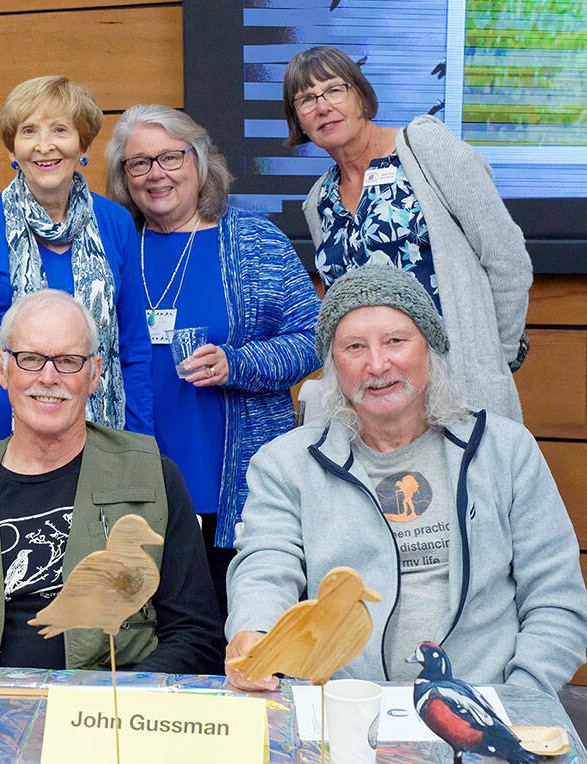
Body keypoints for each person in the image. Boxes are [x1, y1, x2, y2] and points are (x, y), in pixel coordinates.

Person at [225, 266, 587, 694]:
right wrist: (254, 631)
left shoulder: (505, 450)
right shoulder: (285, 463)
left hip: (488, 706)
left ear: (430, 350)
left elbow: (556, 599)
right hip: (343, 706)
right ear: (333, 366)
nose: (377, 364)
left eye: (396, 341)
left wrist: (521, 697)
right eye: (354, 347)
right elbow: (266, 565)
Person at [0, 290, 222, 673]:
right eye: (30, 359)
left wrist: (113, 706)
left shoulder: (154, 479)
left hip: (110, 718)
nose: (48, 377)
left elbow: (197, 633)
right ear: (2, 368)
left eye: (68, 361)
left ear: (94, 373)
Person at [104, 105, 320, 615]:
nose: (156, 174)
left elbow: (315, 336)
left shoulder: (253, 240)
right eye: (138, 164)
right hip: (131, 490)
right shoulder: (112, 247)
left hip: (235, 494)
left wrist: (237, 364)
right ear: (124, 178)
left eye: (170, 157)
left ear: (198, 160)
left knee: (233, 638)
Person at [284, 45, 531, 420]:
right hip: (376, 402)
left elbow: (505, 254)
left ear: (361, 96)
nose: (322, 106)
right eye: (306, 100)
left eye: (335, 90)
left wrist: (495, 355)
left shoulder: (422, 146)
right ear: (298, 121)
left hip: (459, 387)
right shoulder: (318, 200)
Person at [0, 76, 153, 466]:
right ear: (12, 148)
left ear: (82, 144)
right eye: (29, 131)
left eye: (59, 130)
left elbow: (133, 350)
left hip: (100, 442)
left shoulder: (117, 224)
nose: (44, 145)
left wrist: (138, 451)